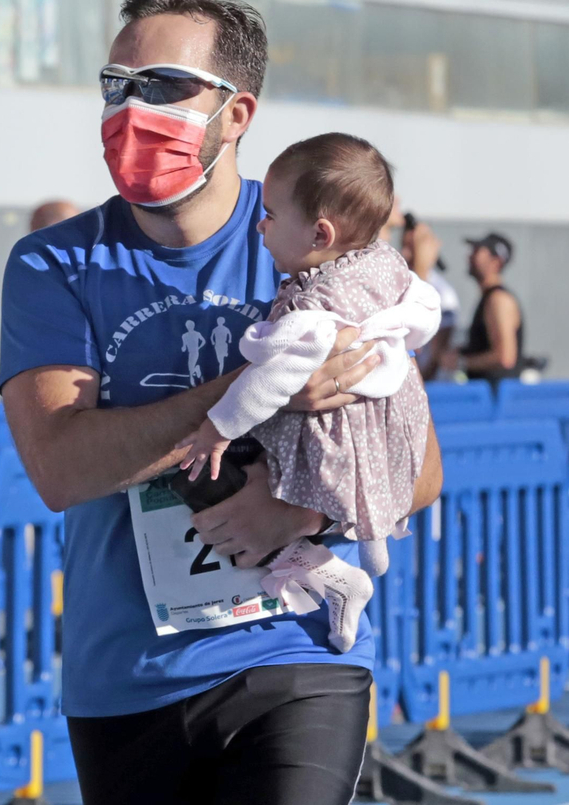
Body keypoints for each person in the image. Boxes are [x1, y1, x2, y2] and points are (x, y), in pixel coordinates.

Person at [0, 0, 442, 805]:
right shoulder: (53, 265)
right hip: (128, 676)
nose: (132, 109)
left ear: (236, 114)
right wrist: (260, 388)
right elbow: (61, 467)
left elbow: (417, 469)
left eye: (163, 86)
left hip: (297, 652)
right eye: (116, 86)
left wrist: (301, 510)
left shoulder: (317, 240)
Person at [177, 133, 440, 653]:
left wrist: (216, 428)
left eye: (271, 215)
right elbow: (425, 309)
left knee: (198, 476)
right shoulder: (385, 264)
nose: (260, 224)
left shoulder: (314, 308)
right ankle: (365, 550)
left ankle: (322, 562)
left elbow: (271, 380)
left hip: (330, 435)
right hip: (387, 423)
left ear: (320, 233)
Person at [459, 231, 523, 386]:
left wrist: (460, 362)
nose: (470, 256)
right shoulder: (489, 299)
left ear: (496, 262)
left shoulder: (499, 301)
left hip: (494, 403)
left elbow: (505, 357)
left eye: (477, 251)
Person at [401, 214, 460, 381]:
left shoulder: (444, 294)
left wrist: (419, 385)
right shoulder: (397, 279)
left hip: (426, 383)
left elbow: (437, 355)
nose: (404, 253)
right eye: (403, 245)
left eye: (411, 247)